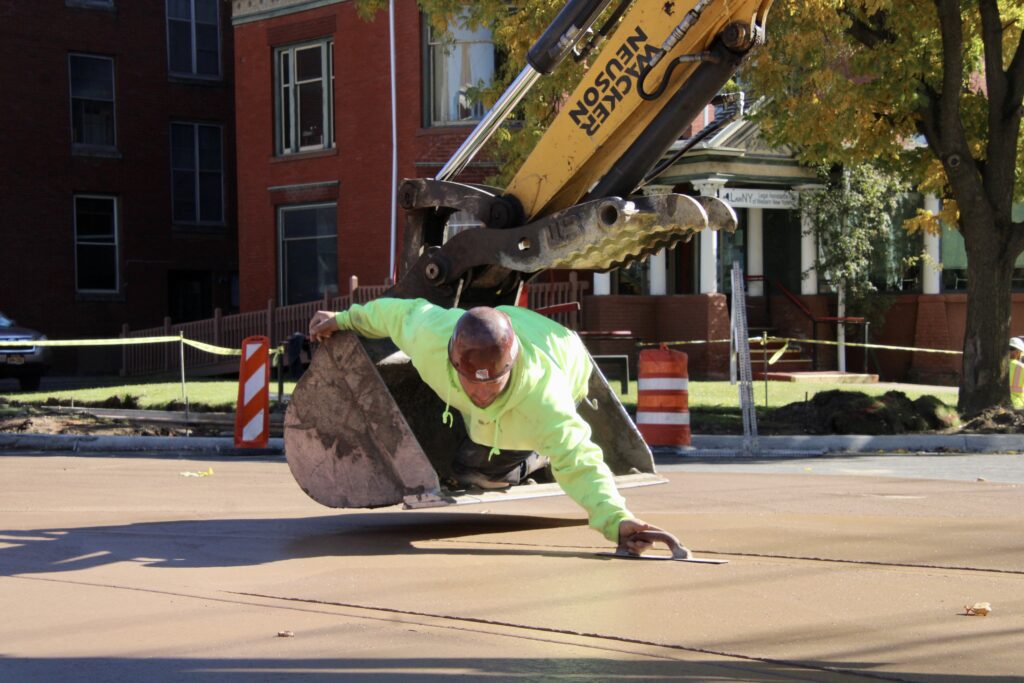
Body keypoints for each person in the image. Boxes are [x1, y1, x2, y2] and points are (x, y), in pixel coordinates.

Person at [309, 298, 666, 554]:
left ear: (509, 368)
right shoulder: (431, 333)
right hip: (513, 323)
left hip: (566, 357)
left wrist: (616, 519)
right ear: (452, 359)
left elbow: (580, 457)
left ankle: (536, 455)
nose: (481, 394)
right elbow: (395, 314)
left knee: (484, 472)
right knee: (467, 458)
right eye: (470, 381)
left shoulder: (545, 398)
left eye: (491, 384)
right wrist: (343, 319)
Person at [1010, 337, 1024, 409]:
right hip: (1018, 405)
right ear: (1018, 353)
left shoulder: (997, 366)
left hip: (998, 404)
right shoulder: (1021, 367)